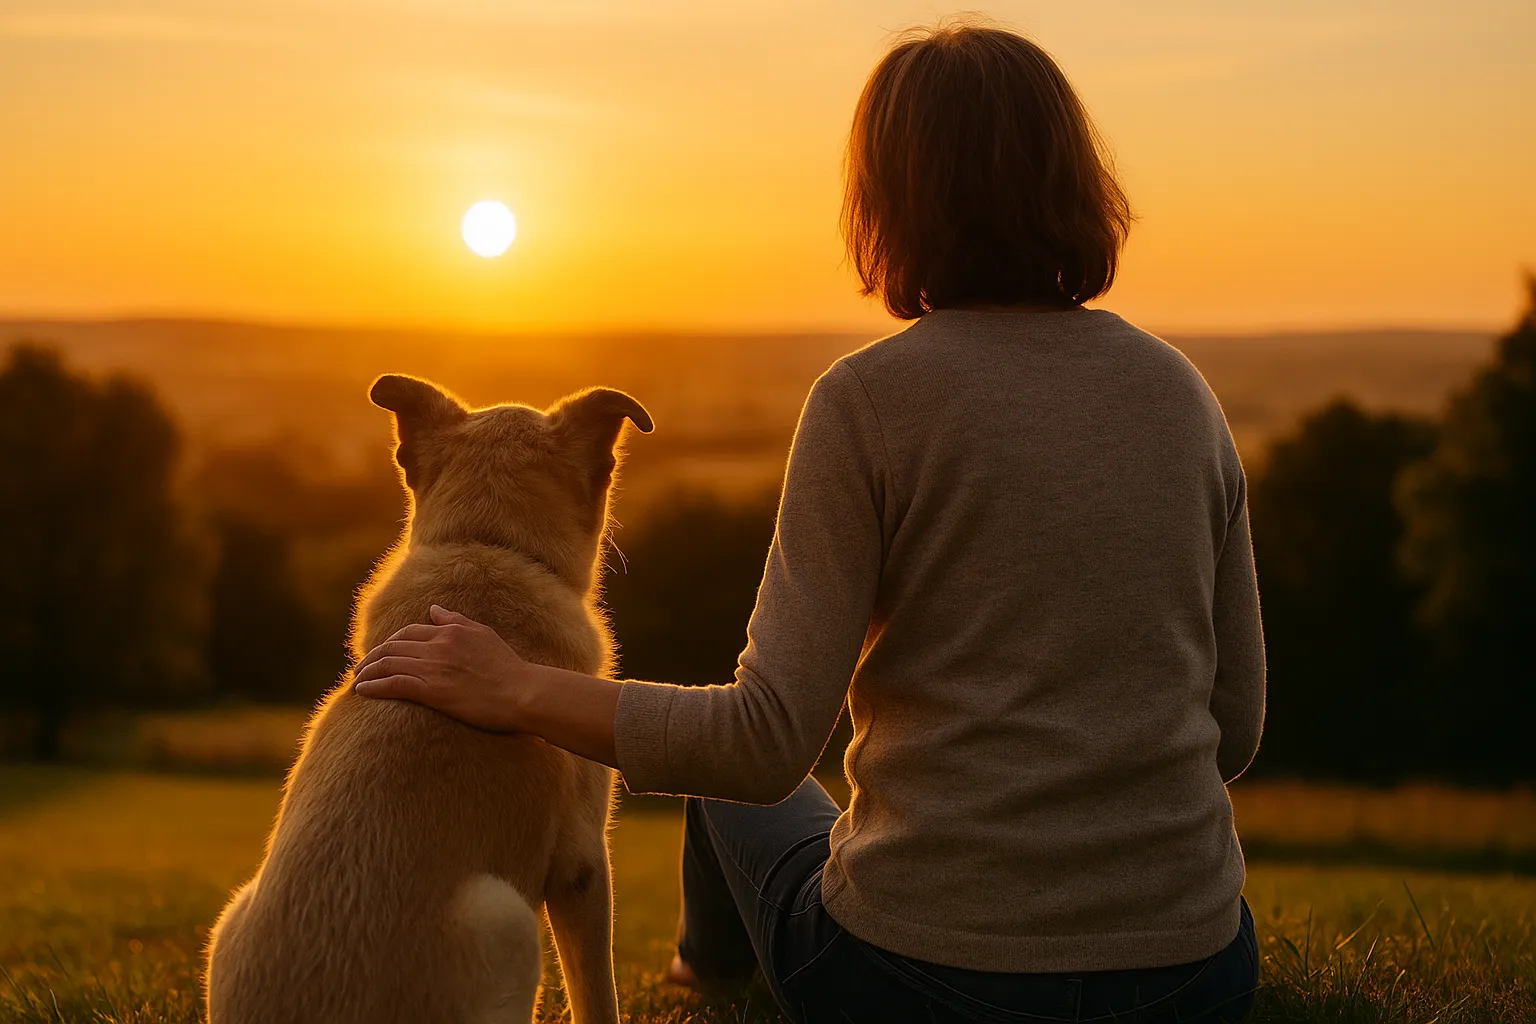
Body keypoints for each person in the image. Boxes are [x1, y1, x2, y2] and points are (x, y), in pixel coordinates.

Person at [354, 20, 1264, 1024]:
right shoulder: (1182, 395)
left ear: (887, 202)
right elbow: (1234, 726)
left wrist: (520, 685)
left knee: (729, 790)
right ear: (1078, 182)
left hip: (923, 981)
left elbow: (760, 746)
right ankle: (705, 970)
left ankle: (706, 975)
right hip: (1196, 974)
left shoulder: (867, 402)